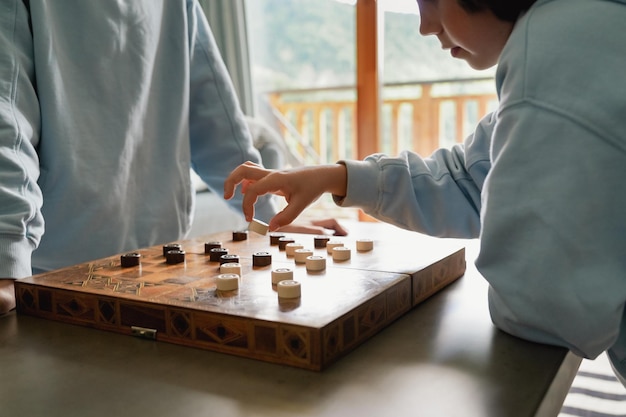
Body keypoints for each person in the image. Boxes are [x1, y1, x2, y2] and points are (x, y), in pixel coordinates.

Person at [224, 0, 626, 386]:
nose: (424, 25)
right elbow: (469, 178)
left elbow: (545, 309)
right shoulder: (571, 27)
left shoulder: (555, 48)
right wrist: (334, 177)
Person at [0, 0, 346, 315]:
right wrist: (6, 260)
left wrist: (269, 218)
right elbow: (8, 123)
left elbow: (214, 116)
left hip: (162, 257)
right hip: (51, 273)